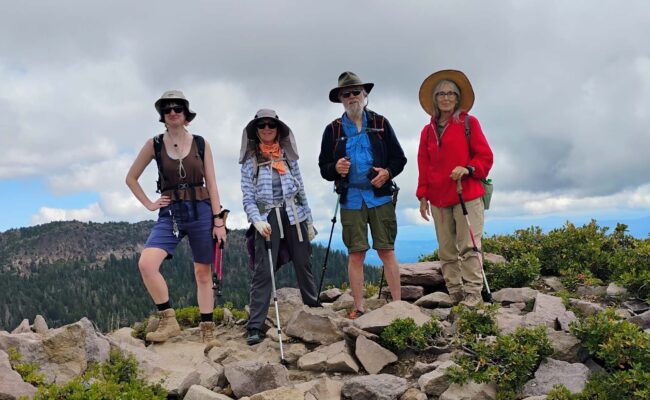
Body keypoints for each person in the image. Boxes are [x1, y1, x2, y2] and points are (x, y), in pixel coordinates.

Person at [126, 90, 227, 343]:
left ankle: (207, 329)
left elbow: (212, 184)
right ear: (162, 115)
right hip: (170, 212)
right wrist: (149, 204)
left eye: (177, 109)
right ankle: (168, 320)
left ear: (186, 115)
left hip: (201, 208)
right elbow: (131, 178)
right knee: (147, 264)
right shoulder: (155, 144)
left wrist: (218, 220)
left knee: (203, 272)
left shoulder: (201, 143)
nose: (172, 112)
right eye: (167, 109)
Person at [318, 71, 407, 319]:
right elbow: (324, 167)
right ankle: (359, 307)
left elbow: (399, 159)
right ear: (340, 99)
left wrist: (387, 173)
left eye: (356, 92)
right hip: (351, 198)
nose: (351, 97)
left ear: (364, 94)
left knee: (386, 250)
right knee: (356, 253)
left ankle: (398, 305)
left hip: (379, 196)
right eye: (346, 94)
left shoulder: (380, 123)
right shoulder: (332, 131)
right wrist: (335, 168)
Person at [240, 108, 319, 345]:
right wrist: (256, 220)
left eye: (271, 125)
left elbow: (300, 186)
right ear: (256, 131)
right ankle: (255, 325)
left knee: (303, 260)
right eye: (261, 126)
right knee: (265, 269)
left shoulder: (286, 155)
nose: (266, 129)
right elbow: (248, 196)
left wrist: (309, 219)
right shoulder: (251, 160)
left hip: (294, 213)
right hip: (267, 215)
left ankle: (313, 307)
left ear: (277, 129)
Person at [416, 70, 493, 307]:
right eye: (441, 93)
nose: (446, 98)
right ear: (435, 99)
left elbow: (485, 157)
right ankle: (455, 293)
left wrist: (468, 169)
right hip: (439, 198)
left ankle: (472, 293)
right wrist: (423, 195)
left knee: (469, 246)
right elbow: (424, 164)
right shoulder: (427, 131)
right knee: (447, 250)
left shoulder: (469, 123)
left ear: (458, 98)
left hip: (466, 195)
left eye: (451, 93)